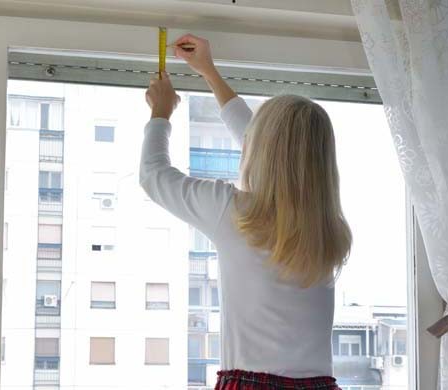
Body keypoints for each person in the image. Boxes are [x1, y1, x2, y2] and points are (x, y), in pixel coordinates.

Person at [140, 33, 351, 390]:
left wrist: (160, 113)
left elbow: (153, 175)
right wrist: (209, 72)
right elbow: (267, 147)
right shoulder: (327, 230)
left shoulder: (233, 211)